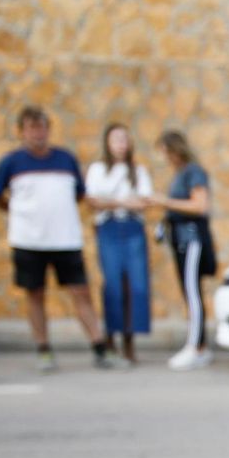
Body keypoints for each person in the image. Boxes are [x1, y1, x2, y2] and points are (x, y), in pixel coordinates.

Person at [0, 105, 114, 372]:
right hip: (28, 241)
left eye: (42, 127)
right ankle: (43, 348)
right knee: (35, 295)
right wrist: (17, 211)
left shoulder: (66, 159)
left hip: (66, 239)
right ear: (21, 132)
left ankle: (99, 347)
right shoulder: (11, 162)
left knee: (81, 293)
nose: (38, 133)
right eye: (32, 128)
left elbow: (79, 194)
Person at [84, 122, 153, 365]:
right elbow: (93, 201)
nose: (120, 144)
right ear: (107, 143)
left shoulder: (138, 170)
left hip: (133, 228)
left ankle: (129, 340)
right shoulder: (98, 169)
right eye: (116, 140)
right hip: (109, 228)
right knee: (112, 285)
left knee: (136, 286)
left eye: (124, 139)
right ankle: (111, 336)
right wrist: (123, 202)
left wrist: (111, 201)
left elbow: (144, 202)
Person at [148, 130, 217, 371]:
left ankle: (195, 347)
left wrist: (164, 202)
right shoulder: (180, 174)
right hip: (180, 239)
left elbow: (200, 205)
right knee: (189, 293)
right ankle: (199, 346)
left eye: (165, 151)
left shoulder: (193, 172)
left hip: (192, 239)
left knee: (192, 292)